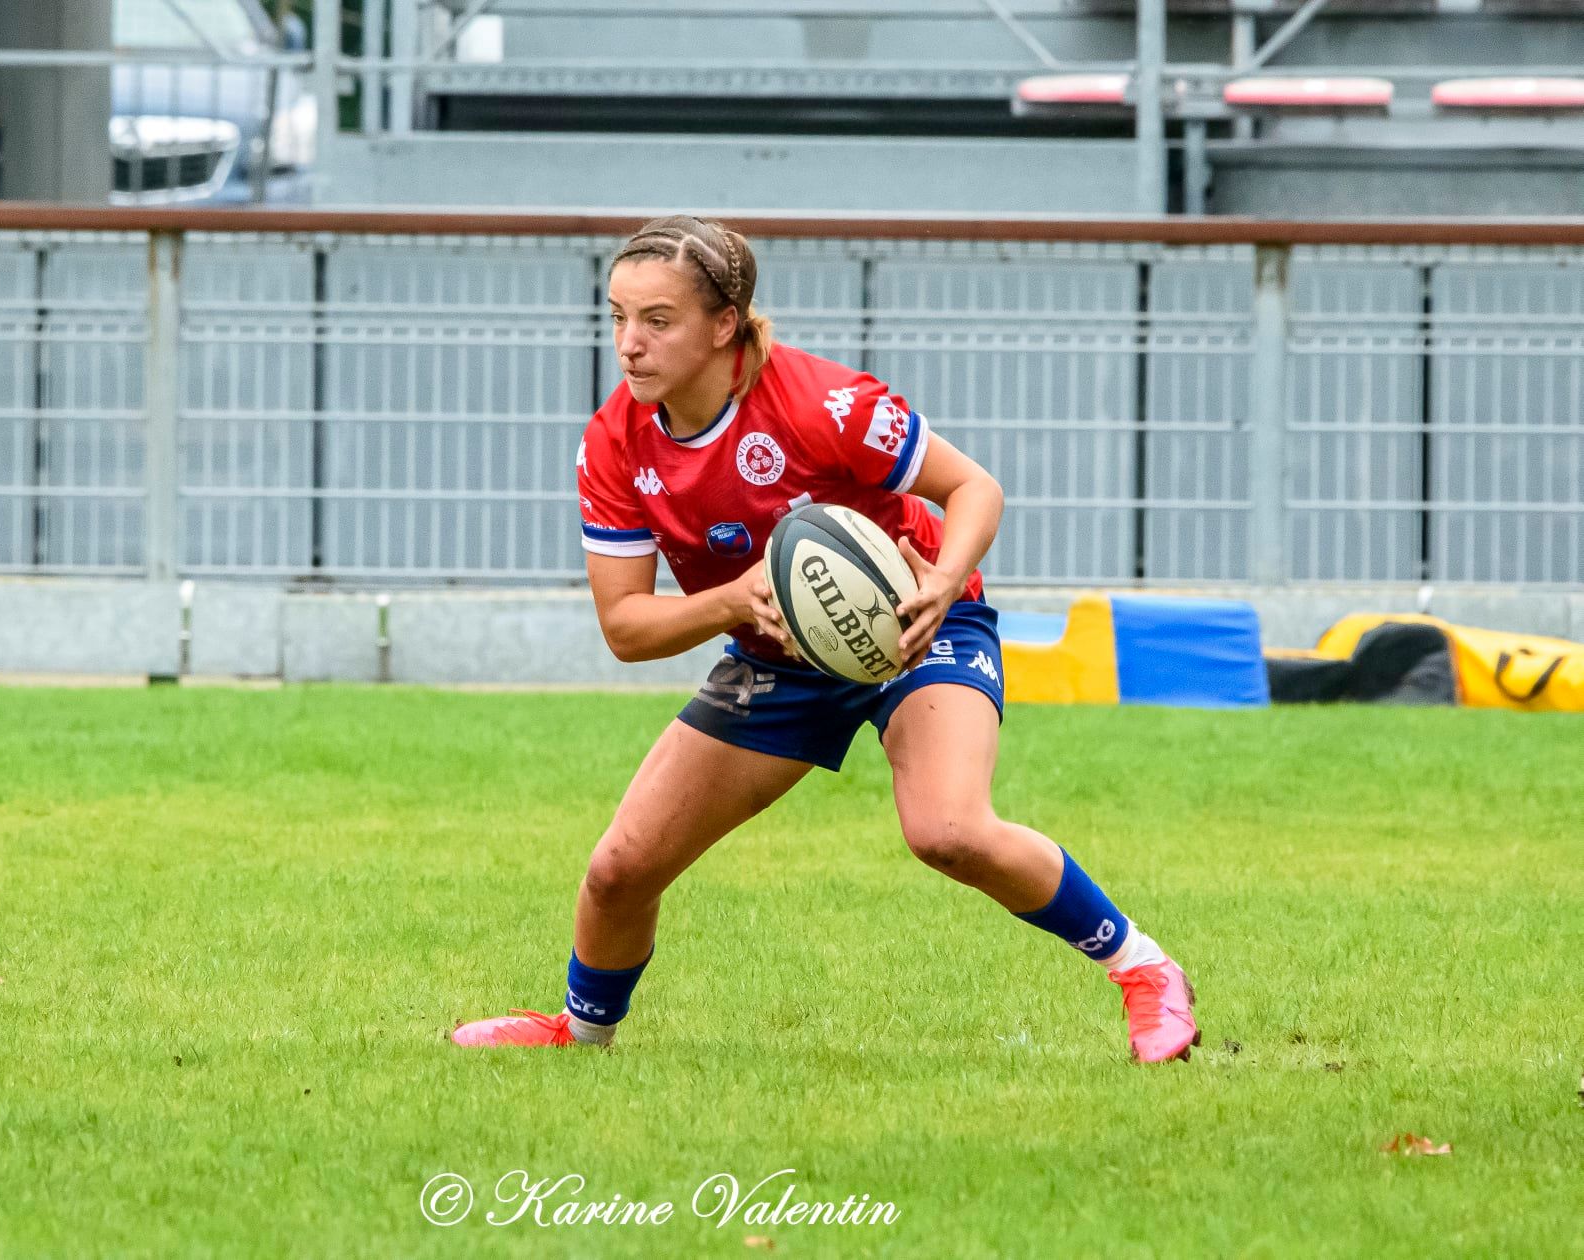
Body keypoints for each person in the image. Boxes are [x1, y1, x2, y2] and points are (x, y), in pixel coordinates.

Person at [451, 215, 1198, 1063]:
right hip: (775, 657)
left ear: (723, 323)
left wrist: (943, 581)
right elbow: (625, 627)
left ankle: (1145, 972)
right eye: (617, 317)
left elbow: (973, 488)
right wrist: (733, 603)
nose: (628, 343)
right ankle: (579, 1035)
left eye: (656, 320)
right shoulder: (614, 445)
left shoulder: (822, 405)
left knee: (946, 829)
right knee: (621, 868)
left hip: (921, 629)